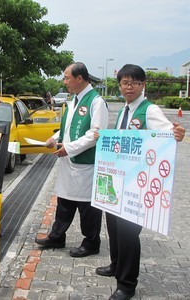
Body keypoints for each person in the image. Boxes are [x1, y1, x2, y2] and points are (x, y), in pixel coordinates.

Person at [95, 64, 186, 300]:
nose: (129, 87)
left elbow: (168, 133)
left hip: (137, 184)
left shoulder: (149, 110)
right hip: (118, 181)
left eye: (134, 83)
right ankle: (116, 265)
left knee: (127, 233)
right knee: (113, 228)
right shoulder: (125, 110)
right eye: (124, 83)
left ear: (143, 85)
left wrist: (177, 133)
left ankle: (126, 284)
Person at [34, 62, 109, 258]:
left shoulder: (96, 102)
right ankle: (57, 236)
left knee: (87, 206)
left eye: (67, 77)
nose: (64, 81)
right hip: (69, 161)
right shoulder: (74, 100)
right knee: (65, 200)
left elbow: (96, 134)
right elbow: (68, 127)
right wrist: (56, 138)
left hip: (85, 163)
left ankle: (91, 242)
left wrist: (70, 148)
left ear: (80, 78)